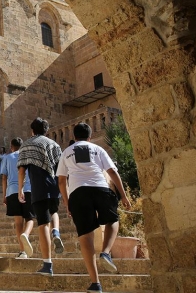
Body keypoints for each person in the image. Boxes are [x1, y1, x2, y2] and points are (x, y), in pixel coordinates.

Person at [57, 123, 131, 293]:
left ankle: (95, 283)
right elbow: (112, 171)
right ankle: (105, 252)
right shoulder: (98, 149)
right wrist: (124, 195)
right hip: (100, 188)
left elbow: (61, 181)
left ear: (74, 137)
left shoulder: (67, 152)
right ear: (89, 136)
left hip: (78, 193)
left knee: (85, 236)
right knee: (113, 219)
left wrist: (68, 204)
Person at [17, 117, 65, 276]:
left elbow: (22, 170)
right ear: (46, 130)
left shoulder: (26, 145)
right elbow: (61, 170)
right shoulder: (54, 145)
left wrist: (20, 189)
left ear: (32, 130)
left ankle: (47, 265)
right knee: (54, 211)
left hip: (38, 187)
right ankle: (56, 231)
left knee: (43, 223)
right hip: (54, 185)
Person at [0, 137, 35, 258]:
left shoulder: (7, 157)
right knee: (29, 218)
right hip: (28, 189)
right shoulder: (28, 156)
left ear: (11, 146)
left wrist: (4, 195)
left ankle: (22, 251)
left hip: (12, 191)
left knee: (18, 222)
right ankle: (26, 234)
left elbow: (4, 177)